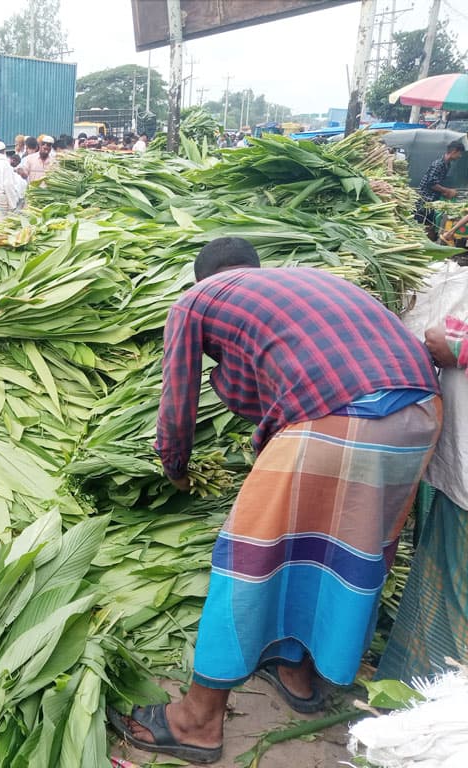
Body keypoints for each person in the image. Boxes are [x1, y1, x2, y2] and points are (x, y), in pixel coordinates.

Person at [107, 238, 441, 764]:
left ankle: (197, 720)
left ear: (205, 278)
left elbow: (178, 400)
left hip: (340, 411)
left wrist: (174, 468)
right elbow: (269, 388)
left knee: (252, 557)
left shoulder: (198, 298)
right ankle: (300, 674)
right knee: (347, 554)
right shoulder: (314, 283)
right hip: (420, 412)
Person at [376, 279, 468, 682]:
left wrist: (458, 348)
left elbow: (448, 343)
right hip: (459, 483)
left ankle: (440, 700)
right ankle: (420, 697)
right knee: (445, 586)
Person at [416, 140, 463, 239]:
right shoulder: (438, 164)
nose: (460, 156)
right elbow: (431, 183)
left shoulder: (447, 164)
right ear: (454, 151)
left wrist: (445, 192)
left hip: (433, 198)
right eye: (459, 153)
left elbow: (437, 183)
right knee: (422, 223)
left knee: (430, 224)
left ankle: (428, 239)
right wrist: (447, 191)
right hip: (425, 198)